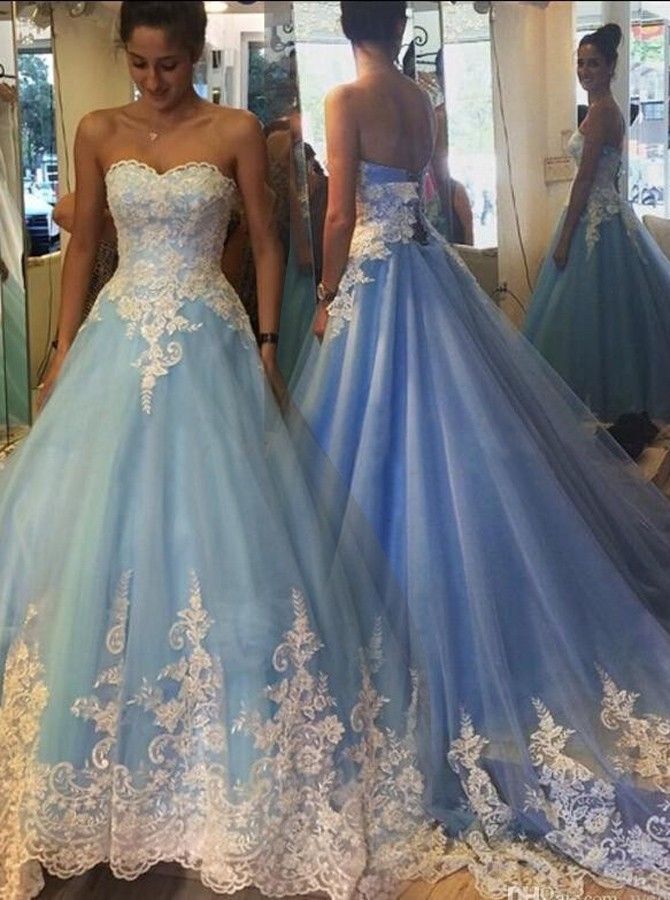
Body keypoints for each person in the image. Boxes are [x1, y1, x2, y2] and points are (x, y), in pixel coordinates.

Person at [0, 3, 453, 897]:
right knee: (94, 537)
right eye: (138, 64)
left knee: (221, 535)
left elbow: (268, 240)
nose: (153, 81)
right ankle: (88, 761)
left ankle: (221, 767)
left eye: (167, 65)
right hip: (117, 346)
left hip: (210, 342)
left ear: (195, 55)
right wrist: (59, 353)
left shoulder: (236, 129)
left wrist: (269, 344)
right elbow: (85, 246)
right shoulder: (97, 130)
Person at [291, 3, 670, 896]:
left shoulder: (346, 99)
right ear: (399, 23)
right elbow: (432, 194)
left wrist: (327, 293)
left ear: (347, 25)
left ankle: (386, 609)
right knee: (453, 444)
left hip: (376, 279)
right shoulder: (420, 99)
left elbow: (340, 211)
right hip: (426, 273)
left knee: (370, 446)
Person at [524, 24, 670, 421]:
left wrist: (565, 237)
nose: (585, 71)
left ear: (610, 68)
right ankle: (600, 403)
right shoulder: (600, 110)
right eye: (581, 63)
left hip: (595, 220)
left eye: (593, 64)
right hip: (604, 215)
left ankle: (598, 404)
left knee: (591, 316)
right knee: (603, 317)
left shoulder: (604, 112)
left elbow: (586, 179)